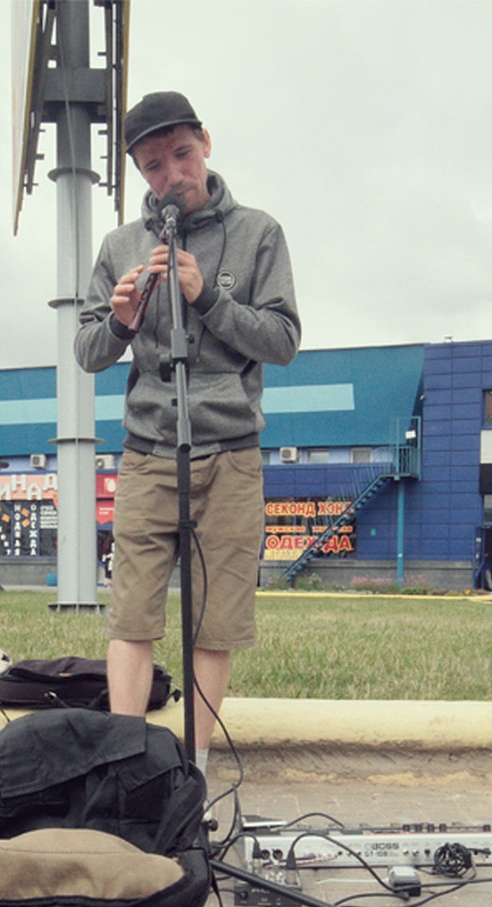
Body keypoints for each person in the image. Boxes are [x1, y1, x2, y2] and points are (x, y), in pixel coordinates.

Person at [74, 91, 300, 771]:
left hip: (230, 455)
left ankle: (194, 769)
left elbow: (283, 340)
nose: (172, 175)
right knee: (132, 615)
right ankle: (125, 769)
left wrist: (209, 299)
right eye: (153, 166)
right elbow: (88, 354)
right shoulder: (120, 246)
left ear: (205, 140)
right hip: (147, 454)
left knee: (215, 621)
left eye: (182, 155)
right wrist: (120, 320)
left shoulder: (260, 233)